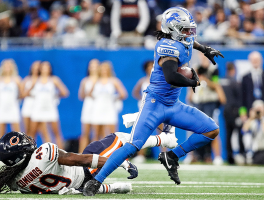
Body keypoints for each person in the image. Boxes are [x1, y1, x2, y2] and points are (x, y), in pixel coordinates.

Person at [83, 7, 224, 196]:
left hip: (173, 105)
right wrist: (193, 82)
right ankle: (95, 181)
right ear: (173, 29)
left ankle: (172, 156)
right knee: (133, 146)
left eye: (190, 29)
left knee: (211, 129)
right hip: (155, 105)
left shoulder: (183, 39)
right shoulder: (167, 46)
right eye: (185, 30)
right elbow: (171, 77)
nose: (190, 33)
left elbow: (191, 43)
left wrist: (205, 49)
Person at [0, 128, 178, 194]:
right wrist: (121, 162)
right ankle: (165, 139)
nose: (28, 140)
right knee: (121, 139)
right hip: (86, 174)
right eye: (24, 141)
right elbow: (82, 159)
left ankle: (111, 188)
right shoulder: (44, 152)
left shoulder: (15, 181)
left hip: (77, 185)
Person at [27, 61, 69, 149]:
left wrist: (55, 95)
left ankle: (61, 155)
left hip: (50, 109)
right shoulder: (35, 80)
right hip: (37, 109)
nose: (45, 69)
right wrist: (32, 86)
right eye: (43, 67)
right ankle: (29, 154)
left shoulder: (54, 80)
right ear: (40, 69)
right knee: (32, 133)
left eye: (47, 67)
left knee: (56, 132)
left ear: (50, 69)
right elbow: (25, 94)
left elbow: (65, 92)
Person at [90, 61, 128, 141]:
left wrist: (114, 98)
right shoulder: (96, 81)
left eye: (106, 69)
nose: (104, 71)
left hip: (109, 109)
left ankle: (113, 152)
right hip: (98, 108)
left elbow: (123, 94)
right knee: (96, 133)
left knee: (112, 133)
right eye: (102, 69)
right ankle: (96, 152)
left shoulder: (114, 81)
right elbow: (89, 94)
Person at [0, 59, 22, 149]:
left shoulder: (17, 79)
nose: (7, 68)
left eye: (9, 66)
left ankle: (18, 151)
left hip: (13, 108)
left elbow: (21, 94)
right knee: (0, 132)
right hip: (1, 109)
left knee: (16, 132)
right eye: (6, 66)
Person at [78, 59, 100, 153]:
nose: (93, 67)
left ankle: (93, 154)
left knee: (96, 133)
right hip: (87, 107)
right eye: (91, 65)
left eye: (96, 65)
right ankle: (81, 154)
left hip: (98, 107)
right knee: (85, 133)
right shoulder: (85, 81)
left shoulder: (101, 80)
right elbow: (81, 96)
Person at [21, 61, 41, 134]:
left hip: (39, 107)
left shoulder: (42, 80)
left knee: (40, 131)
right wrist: (32, 86)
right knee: (27, 132)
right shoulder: (27, 79)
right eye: (34, 67)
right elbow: (22, 95)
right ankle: (28, 145)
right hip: (28, 107)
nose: (36, 69)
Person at [242, 100, 264, 165]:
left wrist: (262, 117)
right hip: (256, 152)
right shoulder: (252, 122)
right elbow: (244, 131)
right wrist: (251, 117)